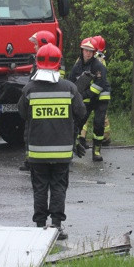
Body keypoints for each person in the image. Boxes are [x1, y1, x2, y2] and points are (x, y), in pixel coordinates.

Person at [18, 44, 86, 240]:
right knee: (58, 187)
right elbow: (81, 112)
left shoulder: (29, 89)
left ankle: (40, 226)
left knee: (39, 187)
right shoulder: (70, 88)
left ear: (37, 63)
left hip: (37, 152)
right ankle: (56, 226)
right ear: (58, 64)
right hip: (62, 152)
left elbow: (22, 113)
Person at [19, 30, 59, 172]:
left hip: (44, 103)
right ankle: (29, 160)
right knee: (29, 132)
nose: (34, 47)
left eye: (36, 44)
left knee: (36, 131)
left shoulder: (55, 62)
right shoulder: (37, 60)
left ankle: (38, 160)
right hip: (37, 101)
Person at [69, 37, 110, 162]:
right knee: (79, 121)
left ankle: (96, 151)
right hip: (87, 97)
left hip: (100, 97)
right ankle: (74, 145)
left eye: (90, 51)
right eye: (85, 50)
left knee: (98, 123)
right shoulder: (77, 67)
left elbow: (98, 87)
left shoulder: (98, 65)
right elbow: (71, 83)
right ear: (82, 50)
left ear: (94, 53)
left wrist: (81, 95)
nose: (87, 53)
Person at [78, 35, 112, 148]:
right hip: (98, 93)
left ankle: (81, 138)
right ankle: (104, 139)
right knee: (100, 119)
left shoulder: (90, 60)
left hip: (91, 92)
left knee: (84, 115)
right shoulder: (101, 59)